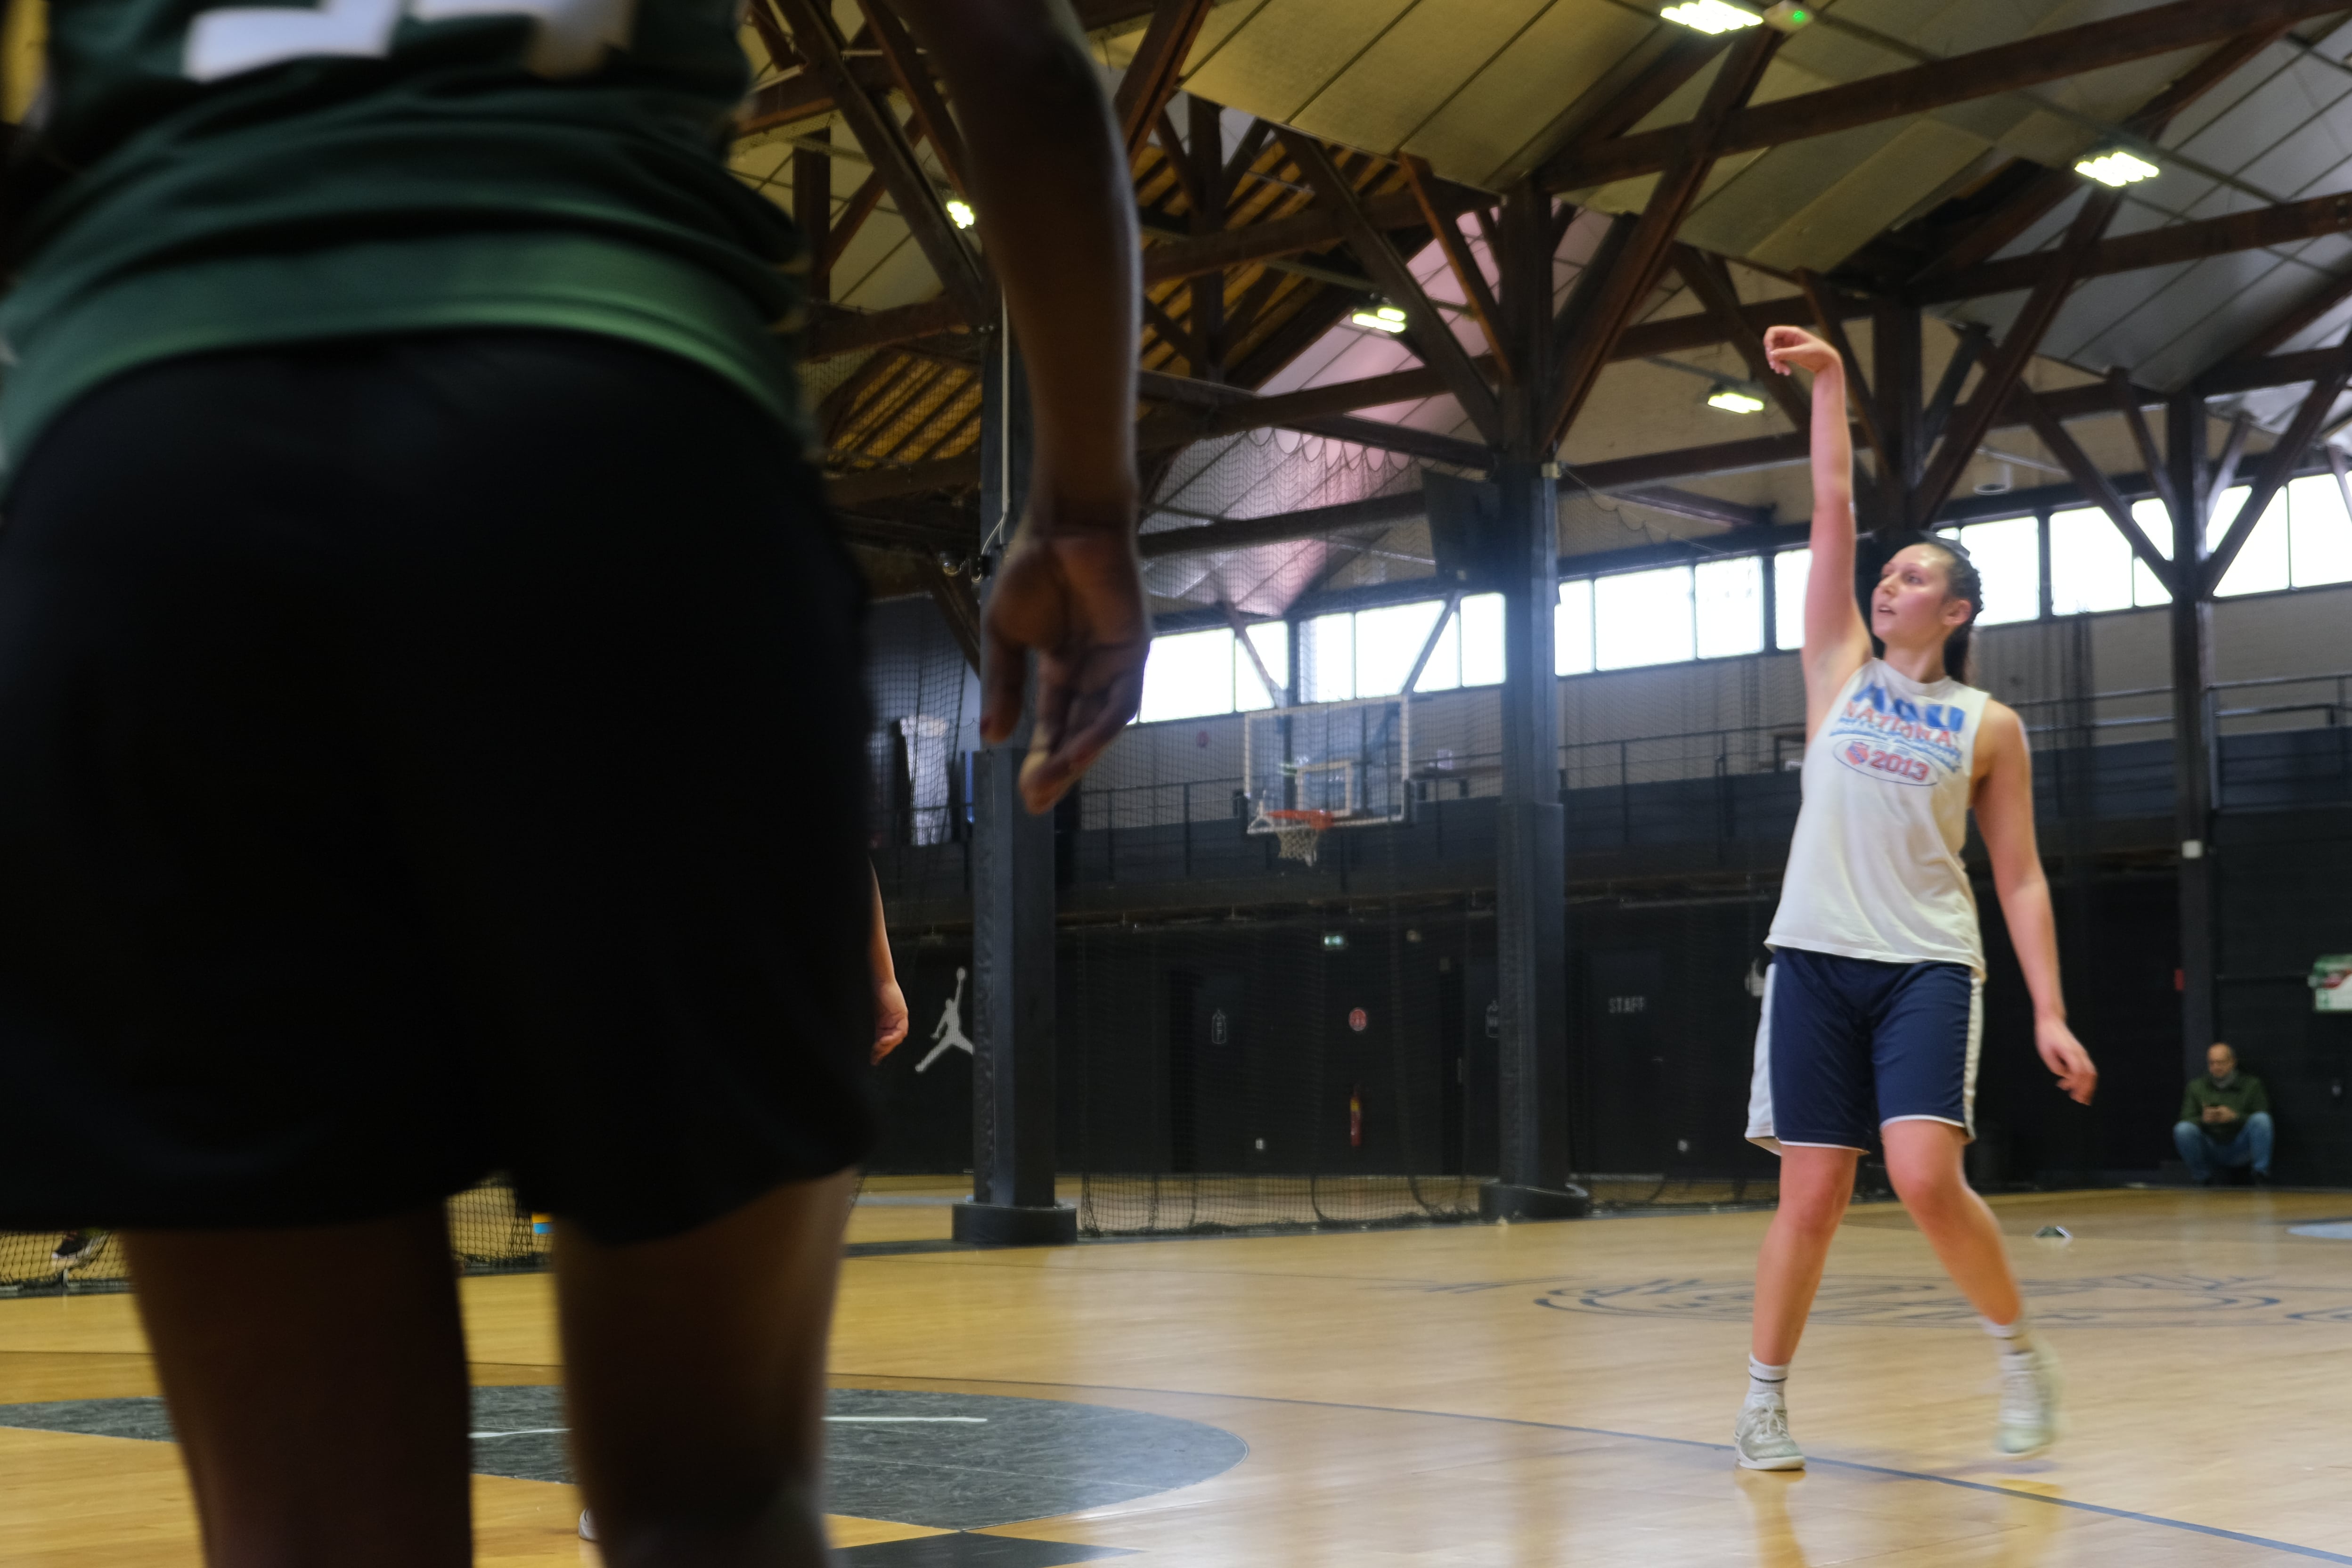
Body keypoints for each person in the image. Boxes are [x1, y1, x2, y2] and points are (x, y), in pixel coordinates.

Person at [0, 0, 1145, 1563]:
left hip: (147, 483)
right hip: (617, 435)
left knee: (306, 1530)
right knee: (713, 1502)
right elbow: (1020, 56)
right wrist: (1083, 498)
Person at [1734, 325, 2099, 1473]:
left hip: (1929, 963)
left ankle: (2019, 1355)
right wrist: (1830, 384)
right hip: (1813, 957)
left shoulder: (1989, 726)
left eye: (1914, 577)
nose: (1888, 582)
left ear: (1957, 611)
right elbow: (1830, 504)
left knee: (1927, 1175)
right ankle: (1763, 1402)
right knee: (1812, 1193)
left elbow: (2019, 873)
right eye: (1885, 574)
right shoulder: (1838, 670)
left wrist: (2049, 1008)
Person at [2174, 1043, 2273, 1185]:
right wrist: (2203, 1120)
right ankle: (2201, 1178)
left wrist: (2235, 1118)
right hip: (2210, 1146)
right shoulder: (2196, 1087)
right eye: (2212, 1063)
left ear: (2232, 1062)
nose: (2216, 1067)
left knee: (2262, 1120)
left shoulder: (2252, 1085)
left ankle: (2260, 1174)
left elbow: (2264, 1116)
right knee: (2183, 1129)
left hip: (2241, 1145)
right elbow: (2186, 1118)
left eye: (2220, 1062)